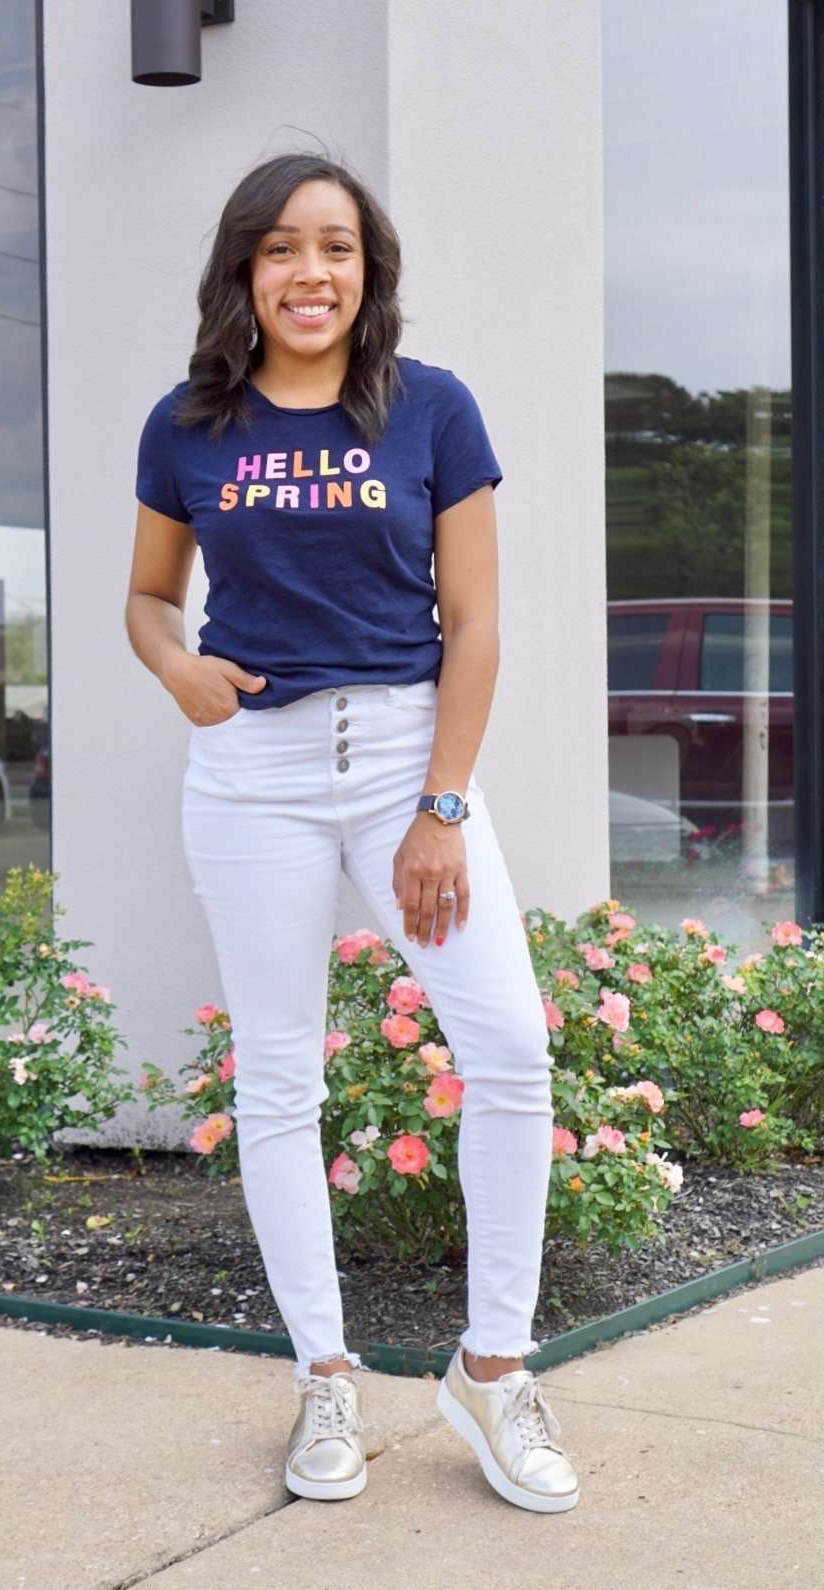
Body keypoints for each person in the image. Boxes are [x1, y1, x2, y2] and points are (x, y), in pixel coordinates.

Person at [125, 150, 580, 1514]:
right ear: (243, 274)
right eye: (277, 249)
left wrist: (442, 802)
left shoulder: (428, 411)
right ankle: (322, 1373)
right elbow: (148, 597)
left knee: (505, 1045)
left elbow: (476, 624)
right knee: (277, 1079)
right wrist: (173, 666)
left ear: (366, 269)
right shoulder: (188, 423)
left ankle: (491, 1372)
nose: (307, 272)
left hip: (401, 756)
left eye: (332, 246)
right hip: (250, 766)